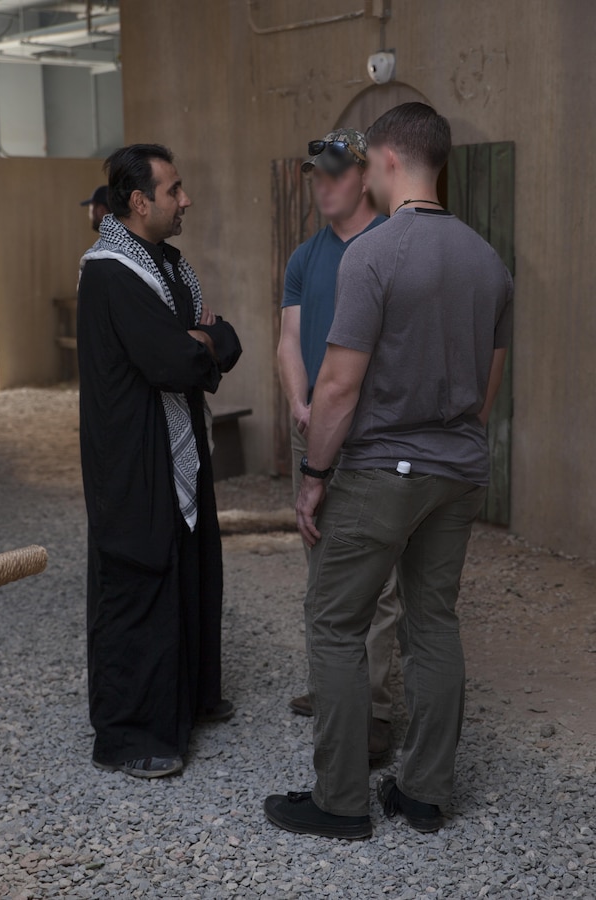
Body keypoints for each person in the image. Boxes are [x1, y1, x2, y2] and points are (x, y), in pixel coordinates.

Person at [265, 102, 513, 839]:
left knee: (334, 621)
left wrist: (314, 475)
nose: (366, 173)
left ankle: (341, 801)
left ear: (391, 161)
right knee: (433, 619)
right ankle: (426, 793)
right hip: (459, 471)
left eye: (369, 162)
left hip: (382, 470)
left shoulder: (373, 255)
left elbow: (337, 387)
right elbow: (486, 393)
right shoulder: (489, 261)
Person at [77, 144, 242, 779]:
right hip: (132, 455)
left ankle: (188, 699)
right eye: (174, 190)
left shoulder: (167, 264)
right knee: (138, 575)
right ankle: (130, 733)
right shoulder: (113, 272)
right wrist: (201, 341)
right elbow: (176, 360)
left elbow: (220, 338)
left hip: (178, 446)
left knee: (190, 563)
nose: (186, 200)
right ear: (138, 201)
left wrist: (205, 339)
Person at [277, 128, 399, 760]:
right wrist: (300, 402)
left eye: (333, 173)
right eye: (315, 175)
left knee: (376, 587)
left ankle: (375, 709)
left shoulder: (391, 245)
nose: (322, 184)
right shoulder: (306, 257)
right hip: (322, 433)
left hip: (376, 440)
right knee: (320, 569)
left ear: (364, 175)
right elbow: (289, 340)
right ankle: (333, 688)